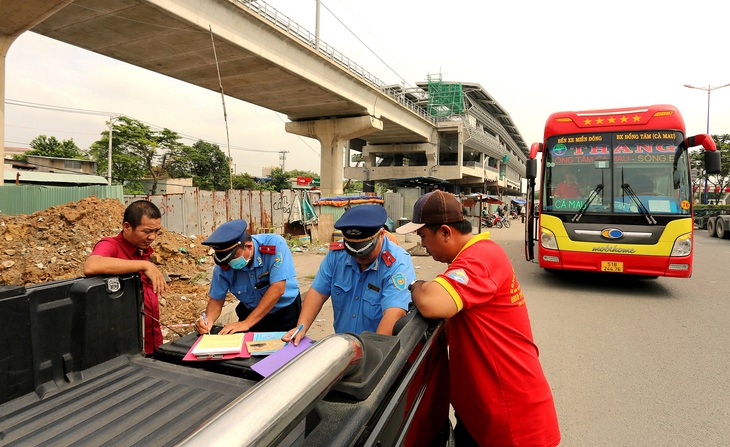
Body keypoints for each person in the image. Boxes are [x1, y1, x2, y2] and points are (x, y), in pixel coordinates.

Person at [396, 191, 560, 447]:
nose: (423, 243)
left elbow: (430, 301)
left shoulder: (480, 258)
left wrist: (416, 285)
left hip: (511, 422)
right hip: (481, 415)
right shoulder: (471, 258)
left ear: (445, 232)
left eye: (423, 235)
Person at [286, 205, 415, 345]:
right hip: (344, 346)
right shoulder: (337, 254)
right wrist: (301, 328)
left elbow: (393, 314)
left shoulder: (397, 264)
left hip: (379, 347)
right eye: (353, 251)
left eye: (365, 251)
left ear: (381, 234)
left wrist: (374, 354)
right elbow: (318, 292)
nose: (359, 257)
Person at [84, 200, 166, 356]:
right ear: (127, 227)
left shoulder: (142, 250)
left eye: (156, 231)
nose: (152, 237)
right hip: (129, 351)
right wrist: (145, 266)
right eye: (147, 231)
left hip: (153, 343)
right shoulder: (111, 245)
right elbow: (91, 266)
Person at [194, 219, 301, 335]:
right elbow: (216, 300)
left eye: (233, 257)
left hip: (285, 312)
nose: (230, 263)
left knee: (288, 350)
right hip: (251, 312)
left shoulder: (273, 245)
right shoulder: (223, 265)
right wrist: (208, 320)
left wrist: (247, 323)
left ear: (249, 247)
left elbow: (278, 288)